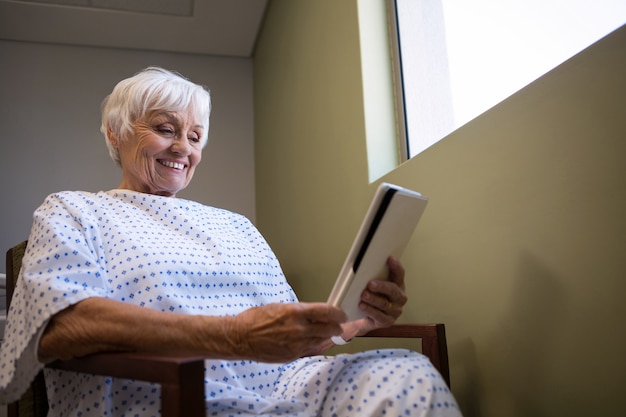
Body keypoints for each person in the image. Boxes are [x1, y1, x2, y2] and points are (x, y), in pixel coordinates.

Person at [0, 67, 461, 417]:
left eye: (195, 136)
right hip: (177, 396)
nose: (184, 147)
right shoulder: (73, 210)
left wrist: (353, 321)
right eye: (165, 129)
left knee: (407, 372)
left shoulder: (237, 225)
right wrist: (236, 336)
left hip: (289, 388)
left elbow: (287, 339)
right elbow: (59, 326)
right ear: (116, 133)